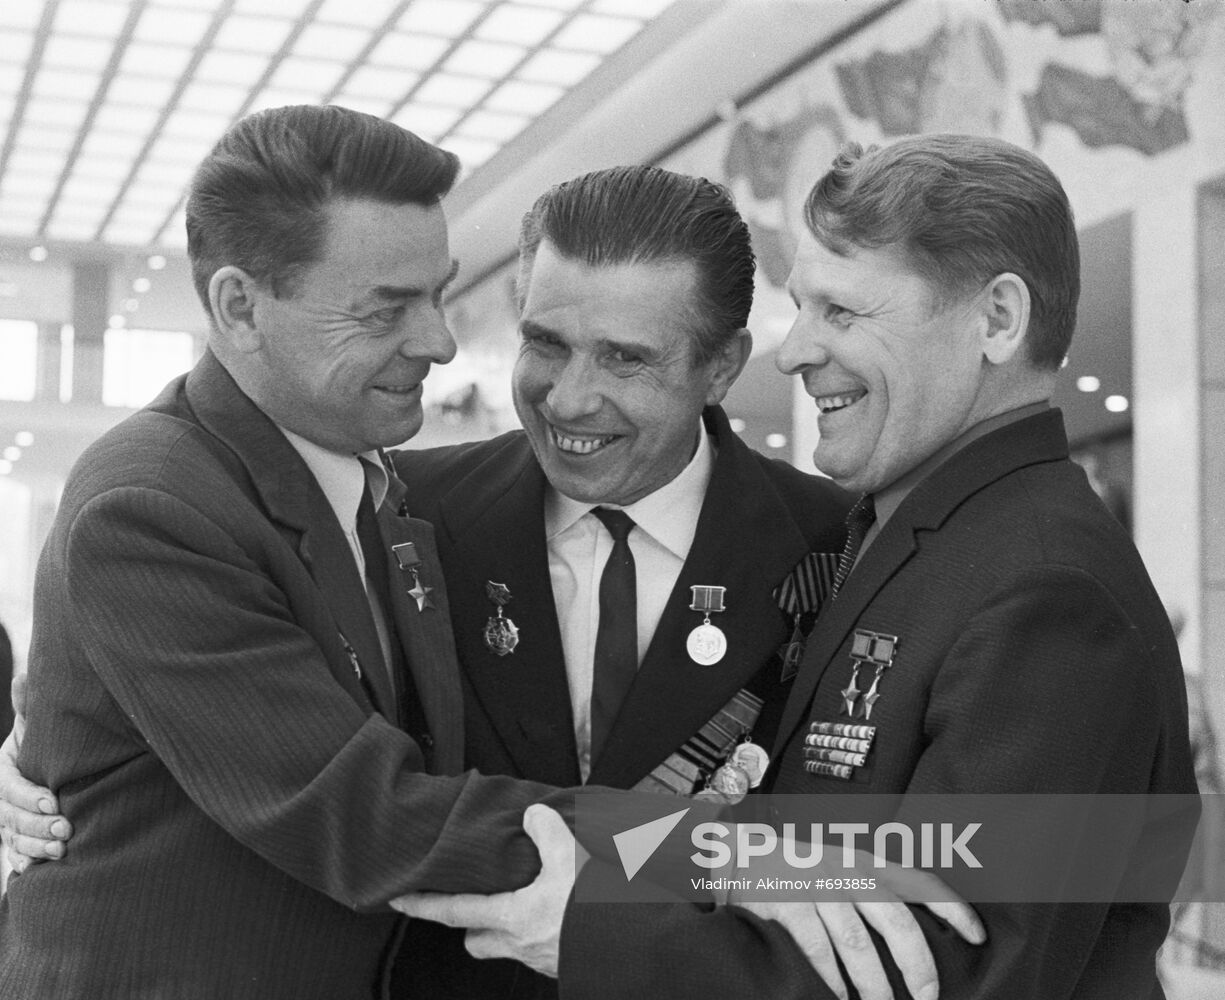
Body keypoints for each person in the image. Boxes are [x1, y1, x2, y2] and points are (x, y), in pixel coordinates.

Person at [0, 157, 982, 999]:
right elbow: (298, 757)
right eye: (545, 342)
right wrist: (52, 750)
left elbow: (970, 843)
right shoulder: (395, 513)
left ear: (720, 366)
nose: (568, 396)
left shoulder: (840, 548)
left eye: (625, 359)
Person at [396, 135, 1198, 999]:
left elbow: (954, 968)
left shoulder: (1042, 587)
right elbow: (799, 854)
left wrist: (586, 927)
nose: (795, 352)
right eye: (802, 309)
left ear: (997, 321)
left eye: (843, 313)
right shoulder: (916, 541)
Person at [0, 103, 573, 999]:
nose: (439, 341)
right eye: (386, 310)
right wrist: (723, 857)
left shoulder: (375, 481)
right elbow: (364, 817)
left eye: (437, 291)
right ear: (240, 306)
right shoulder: (149, 508)